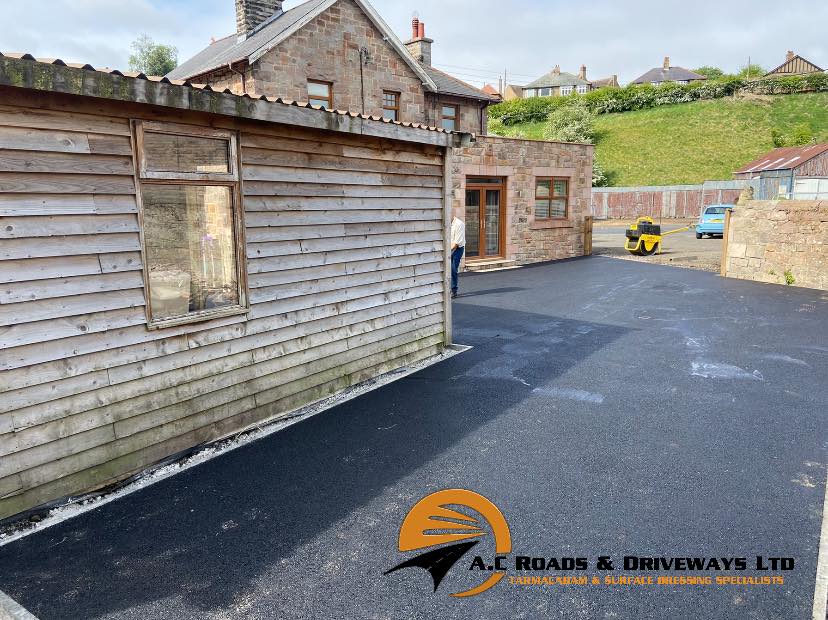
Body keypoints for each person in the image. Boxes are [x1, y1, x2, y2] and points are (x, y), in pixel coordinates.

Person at [450, 216, 466, 299]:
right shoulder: (446, 223)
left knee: (453, 269)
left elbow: (456, 244)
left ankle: (454, 290)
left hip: (457, 249)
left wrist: (447, 253)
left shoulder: (459, 224)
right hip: (448, 247)